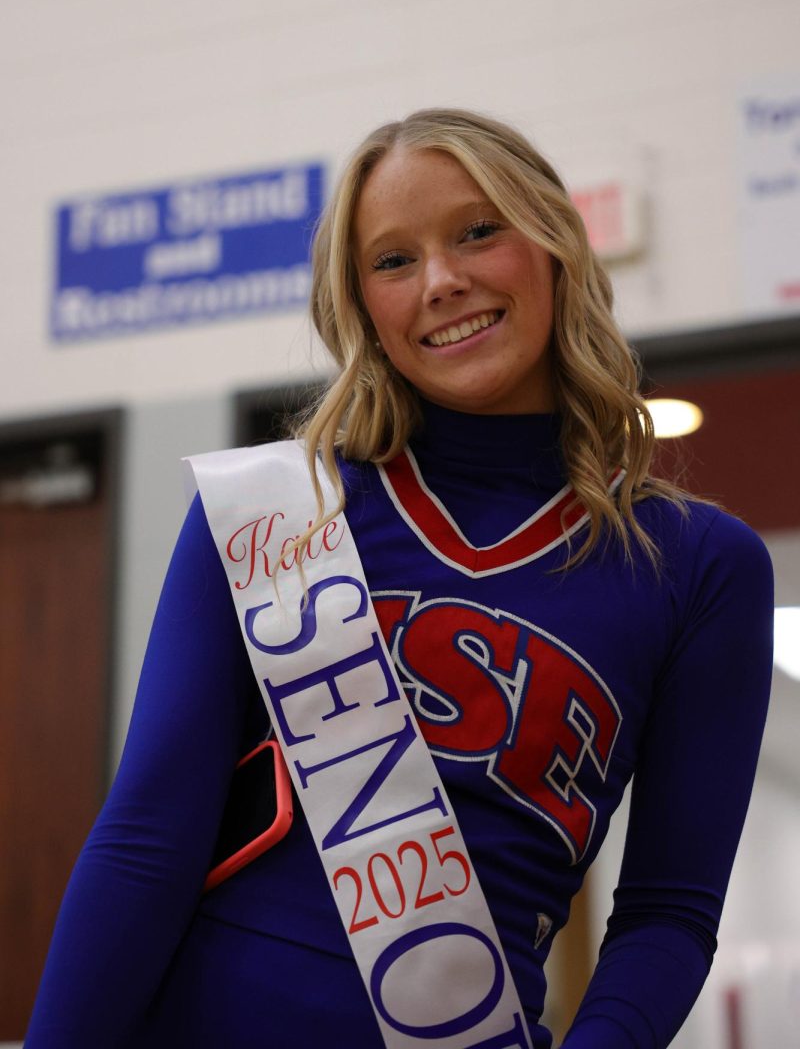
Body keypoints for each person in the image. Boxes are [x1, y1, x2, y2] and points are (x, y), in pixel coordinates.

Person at [26, 109, 774, 1048]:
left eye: (477, 231)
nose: (442, 281)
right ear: (363, 307)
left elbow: (667, 912)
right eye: (392, 260)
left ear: (553, 244)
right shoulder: (274, 507)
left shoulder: (697, 567)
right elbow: (145, 840)